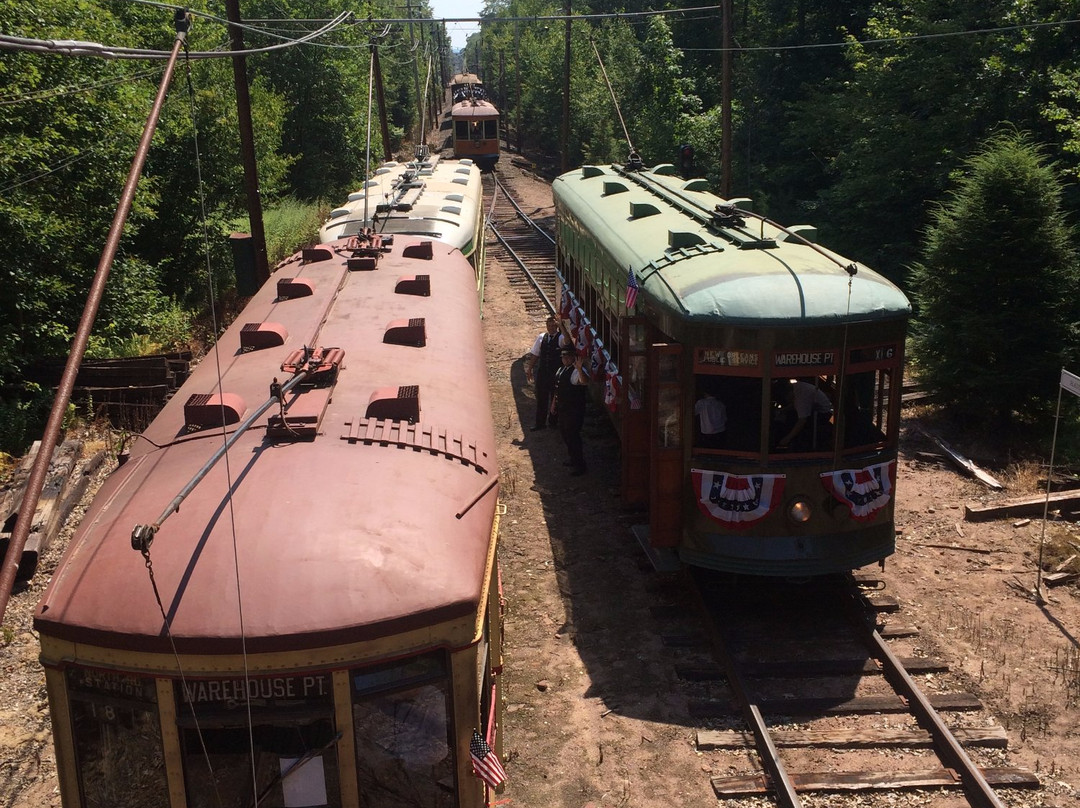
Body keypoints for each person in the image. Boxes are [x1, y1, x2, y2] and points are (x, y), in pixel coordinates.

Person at [524, 317, 567, 431]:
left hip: (555, 373)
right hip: (543, 372)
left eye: (553, 326)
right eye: (549, 326)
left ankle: (553, 422)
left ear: (557, 327)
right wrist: (530, 368)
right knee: (541, 398)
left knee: (555, 397)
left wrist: (562, 327)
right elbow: (535, 354)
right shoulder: (542, 337)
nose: (551, 328)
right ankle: (540, 423)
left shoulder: (561, 338)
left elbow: (567, 342)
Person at [553, 347, 589, 475]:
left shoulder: (576, 371)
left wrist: (579, 369)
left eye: (568, 357)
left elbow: (584, 382)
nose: (566, 359)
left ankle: (580, 465)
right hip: (564, 408)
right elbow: (557, 389)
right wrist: (554, 405)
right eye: (564, 357)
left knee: (573, 436)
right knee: (565, 433)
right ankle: (573, 458)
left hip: (574, 409)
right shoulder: (561, 369)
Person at [776, 378, 833, 450]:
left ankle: (802, 447)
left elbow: (802, 420)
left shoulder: (801, 396)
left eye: (787, 398)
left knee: (801, 429)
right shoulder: (797, 387)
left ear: (789, 393)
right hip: (813, 408)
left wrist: (787, 438)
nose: (787, 400)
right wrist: (783, 410)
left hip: (821, 413)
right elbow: (794, 404)